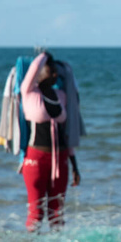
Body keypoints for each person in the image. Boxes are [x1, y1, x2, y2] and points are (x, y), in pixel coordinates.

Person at [20, 51, 81, 231]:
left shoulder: (61, 95)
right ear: (39, 74)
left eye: (56, 72)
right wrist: (44, 55)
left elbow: (66, 132)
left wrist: (74, 165)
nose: (55, 75)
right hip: (35, 160)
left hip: (61, 160)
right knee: (36, 212)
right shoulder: (29, 92)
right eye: (51, 71)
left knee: (57, 213)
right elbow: (33, 68)